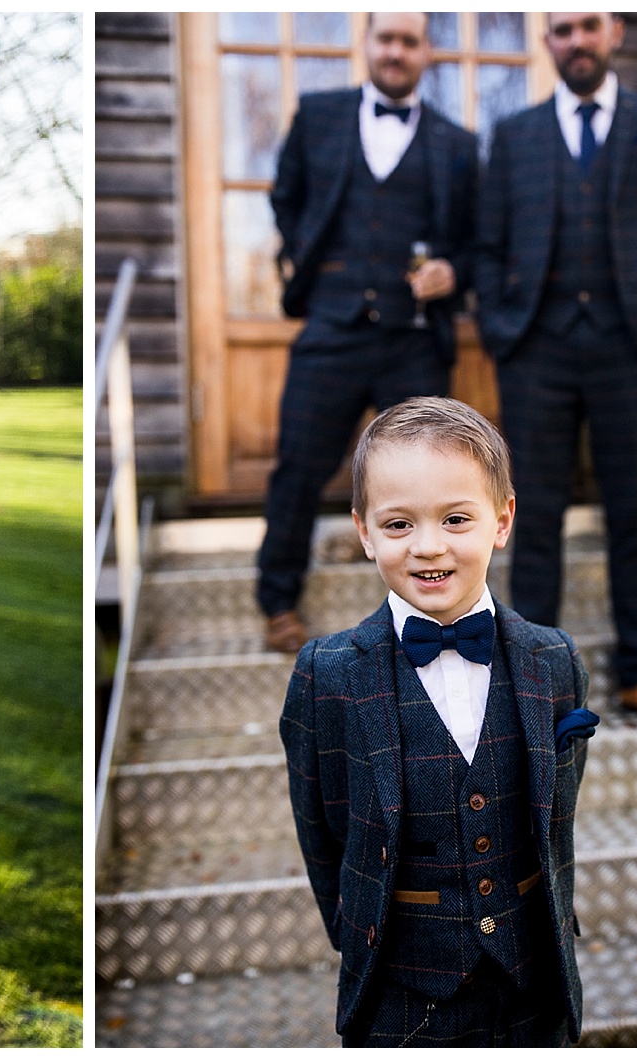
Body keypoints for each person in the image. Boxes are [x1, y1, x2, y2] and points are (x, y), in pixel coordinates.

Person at [280, 397, 597, 1046]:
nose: (429, 548)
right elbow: (325, 834)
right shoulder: (327, 675)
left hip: (535, 988)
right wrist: (363, 934)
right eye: (398, 525)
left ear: (502, 520)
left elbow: (553, 819)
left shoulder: (555, 661)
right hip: (401, 997)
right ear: (364, 531)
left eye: (456, 519)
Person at [473, 12, 637, 726]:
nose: (575, 40)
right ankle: (534, 686)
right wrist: (499, 329)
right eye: (561, 29)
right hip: (536, 350)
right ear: (547, 43)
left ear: (615, 34)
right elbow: (487, 244)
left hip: (632, 351)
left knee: (634, 515)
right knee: (532, 516)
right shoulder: (515, 135)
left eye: (588, 27)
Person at [258, 12, 480, 654]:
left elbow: (477, 243)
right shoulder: (319, 116)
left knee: (427, 480)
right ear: (368, 45)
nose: (396, 51)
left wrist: (453, 271)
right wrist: (305, 257)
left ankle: (431, 610)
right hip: (332, 325)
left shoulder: (457, 143)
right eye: (386, 38)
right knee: (298, 466)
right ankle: (278, 602)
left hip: (414, 337)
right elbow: (286, 198)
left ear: (426, 53)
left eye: (409, 41)